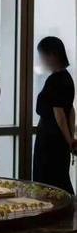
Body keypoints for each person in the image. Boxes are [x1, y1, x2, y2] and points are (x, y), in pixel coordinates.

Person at [33, 36, 76, 194]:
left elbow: (59, 114)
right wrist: (70, 138)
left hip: (50, 139)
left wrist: (69, 139)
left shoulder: (54, 80)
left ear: (52, 55)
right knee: (60, 178)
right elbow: (70, 110)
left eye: (41, 56)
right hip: (59, 140)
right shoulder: (67, 78)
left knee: (48, 180)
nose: (41, 60)